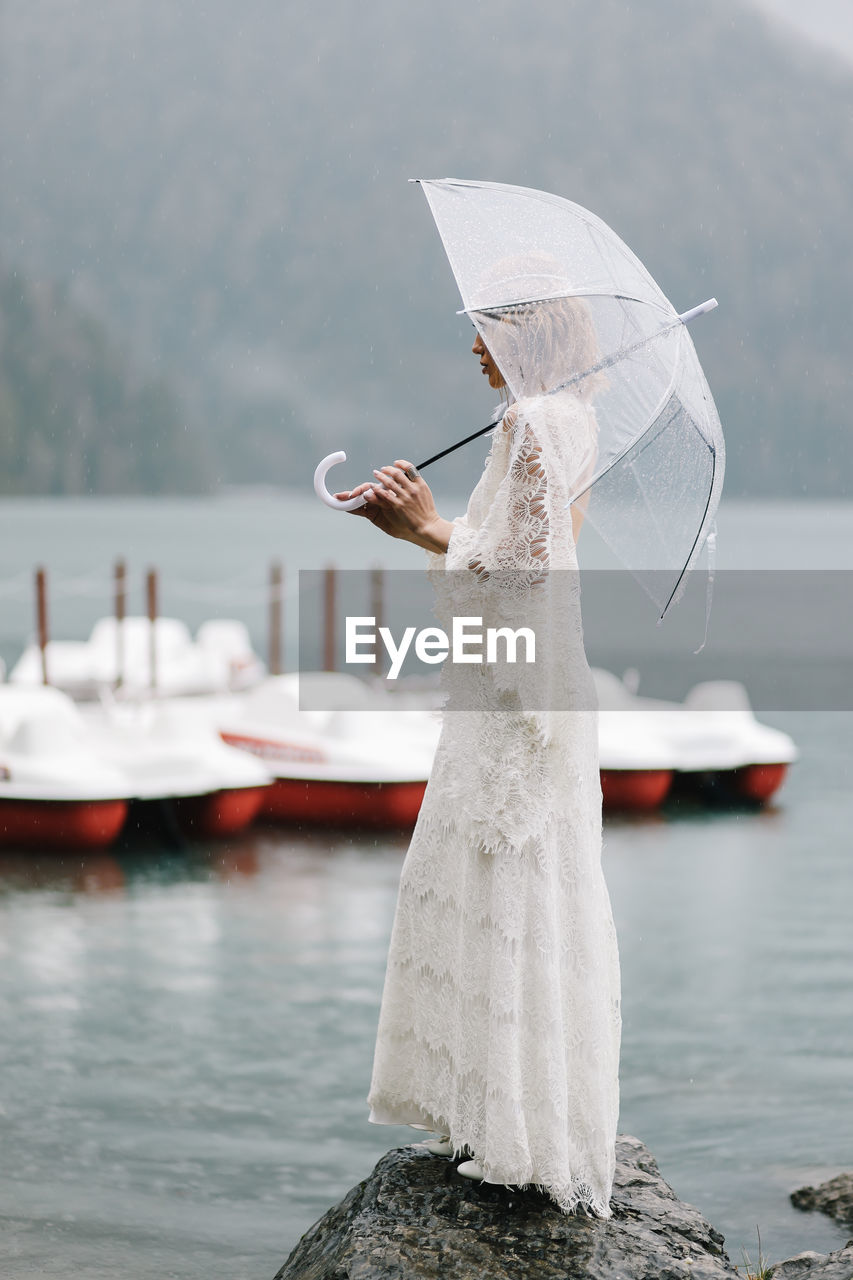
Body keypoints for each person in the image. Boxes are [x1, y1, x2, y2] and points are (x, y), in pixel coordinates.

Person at [336, 314, 621, 1218]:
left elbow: (525, 573)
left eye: (485, 330)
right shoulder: (567, 417)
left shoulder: (533, 422)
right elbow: (530, 552)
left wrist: (421, 530)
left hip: (510, 702)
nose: (470, 348)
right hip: (527, 689)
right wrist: (426, 525)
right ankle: (520, 1119)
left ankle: (508, 1132)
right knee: (526, 888)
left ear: (528, 334)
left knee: (503, 881)